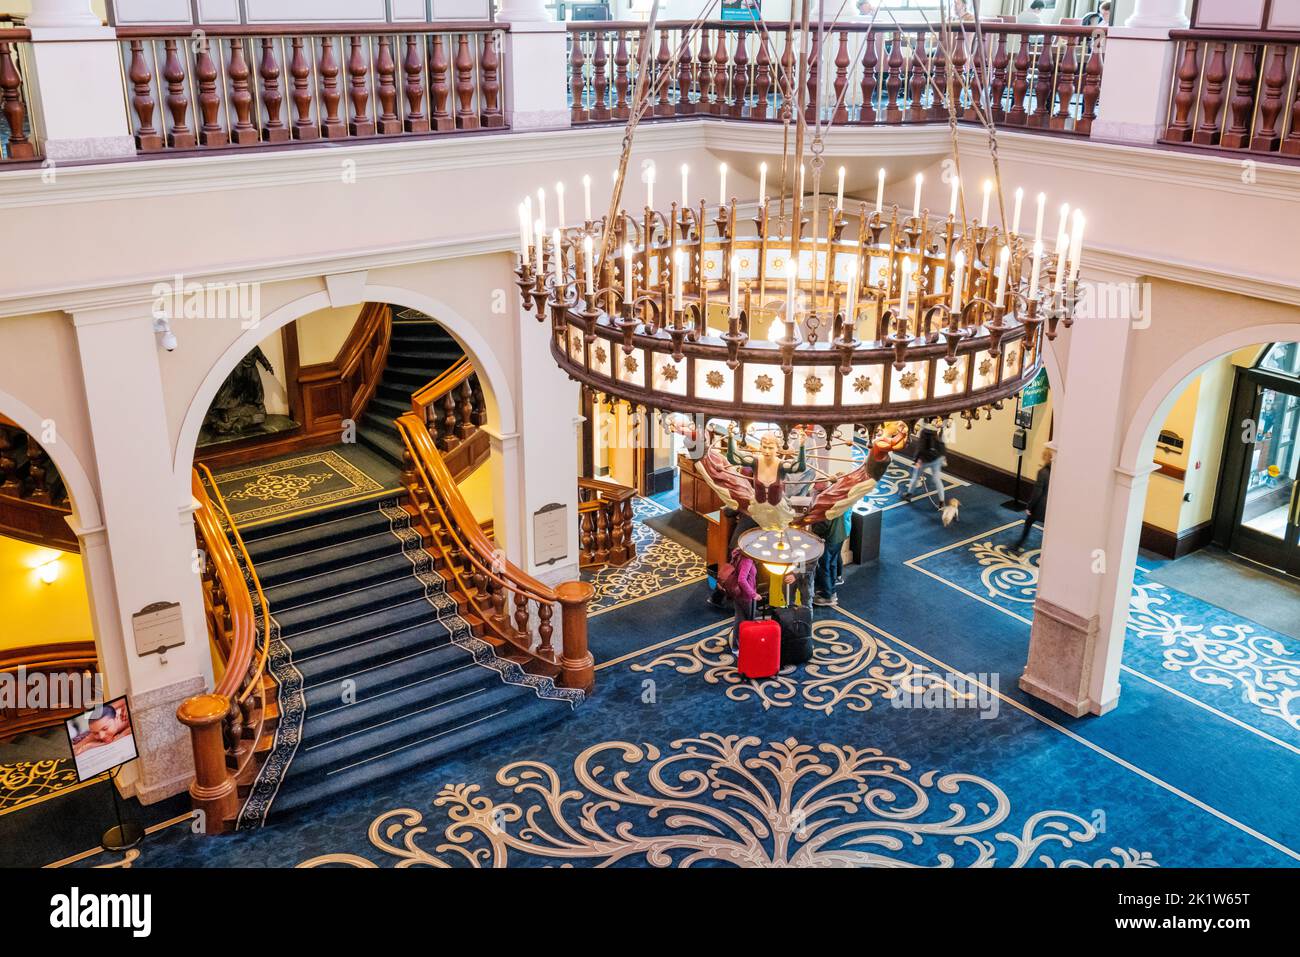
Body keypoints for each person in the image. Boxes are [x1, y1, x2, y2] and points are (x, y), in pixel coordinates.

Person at [1014, 448, 1053, 552]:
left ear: (1045, 457)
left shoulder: (1042, 472)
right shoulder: (1056, 472)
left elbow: (1037, 493)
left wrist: (1029, 506)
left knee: (1028, 522)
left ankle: (1018, 544)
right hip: (1051, 506)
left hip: (1040, 507)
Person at [903, 420, 947, 506]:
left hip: (924, 461)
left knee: (916, 477)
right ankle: (942, 501)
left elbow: (921, 448)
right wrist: (943, 458)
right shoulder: (938, 432)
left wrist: (917, 460)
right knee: (937, 479)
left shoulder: (924, 432)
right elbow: (942, 447)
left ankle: (908, 495)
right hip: (936, 459)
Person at [812, 512, 849, 607]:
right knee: (832, 563)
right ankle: (832, 591)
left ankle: (826, 596)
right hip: (839, 535)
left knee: (824, 566)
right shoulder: (836, 498)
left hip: (829, 538)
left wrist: (812, 530)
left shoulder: (826, 501)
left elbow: (823, 524)